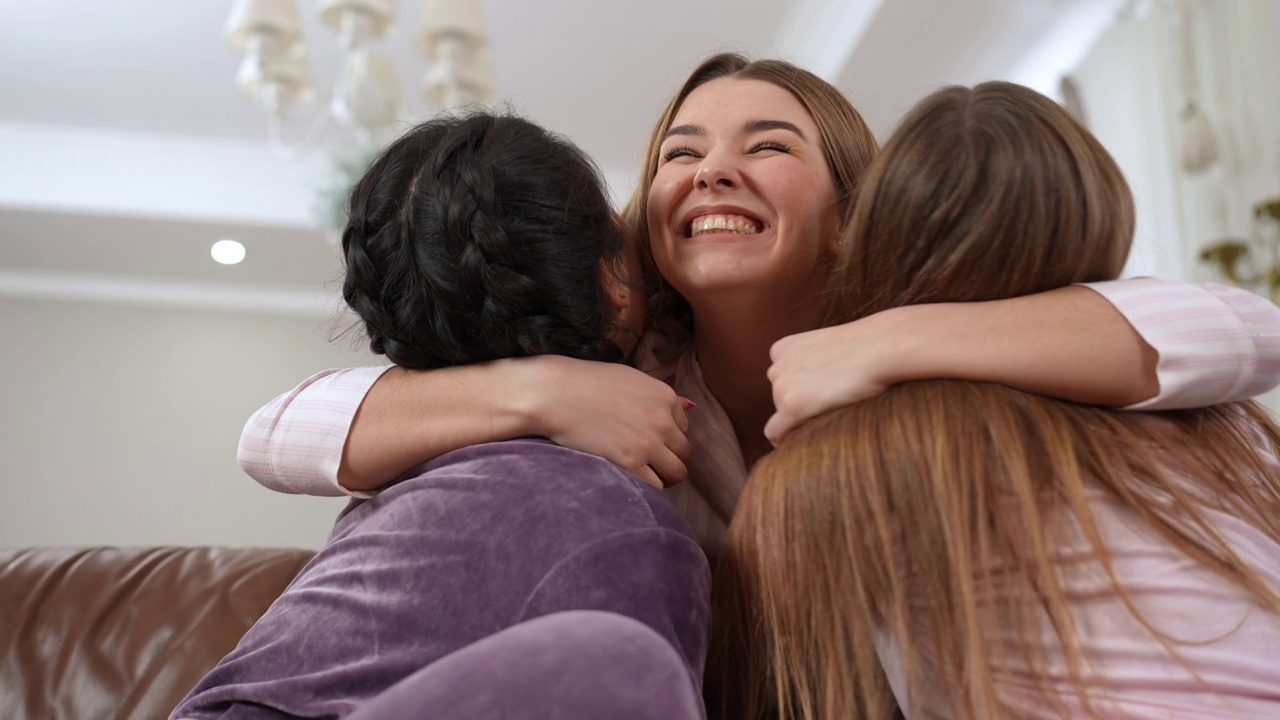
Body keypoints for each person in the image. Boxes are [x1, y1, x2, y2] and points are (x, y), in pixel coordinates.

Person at [237, 53, 1280, 555]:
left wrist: (890, 341)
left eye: (766, 147)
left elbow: (1241, 330)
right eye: (680, 155)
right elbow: (277, 435)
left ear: (844, 209)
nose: (711, 173)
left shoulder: (943, 348)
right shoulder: (619, 374)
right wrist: (533, 389)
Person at [719, 81, 1280, 720]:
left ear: (869, 233)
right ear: (1102, 224)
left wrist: (888, 338)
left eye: (767, 145)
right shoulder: (1228, 426)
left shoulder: (817, 476)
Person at [172, 113, 707, 720]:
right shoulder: (624, 524)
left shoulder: (412, 471)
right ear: (612, 276)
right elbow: (269, 435)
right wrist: (543, 387)